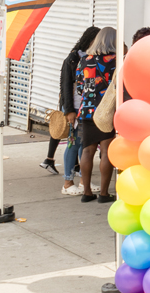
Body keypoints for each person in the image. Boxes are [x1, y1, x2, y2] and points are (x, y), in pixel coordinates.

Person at [46, 25, 100, 196]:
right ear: (89, 40)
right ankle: (68, 182)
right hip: (74, 108)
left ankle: (84, 181)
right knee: (73, 143)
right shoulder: (72, 59)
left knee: (85, 144)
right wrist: (69, 110)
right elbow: (65, 86)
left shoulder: (94, 58)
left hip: (87, 108)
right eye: (96, 40)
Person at [73, 26, 120, 203]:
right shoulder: (116, 61)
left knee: (87, 151)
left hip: (86, 110)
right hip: (106, 112)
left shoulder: (84, 60)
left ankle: (86, 192)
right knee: (106, 152)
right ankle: (104, 194)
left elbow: (79, 87)